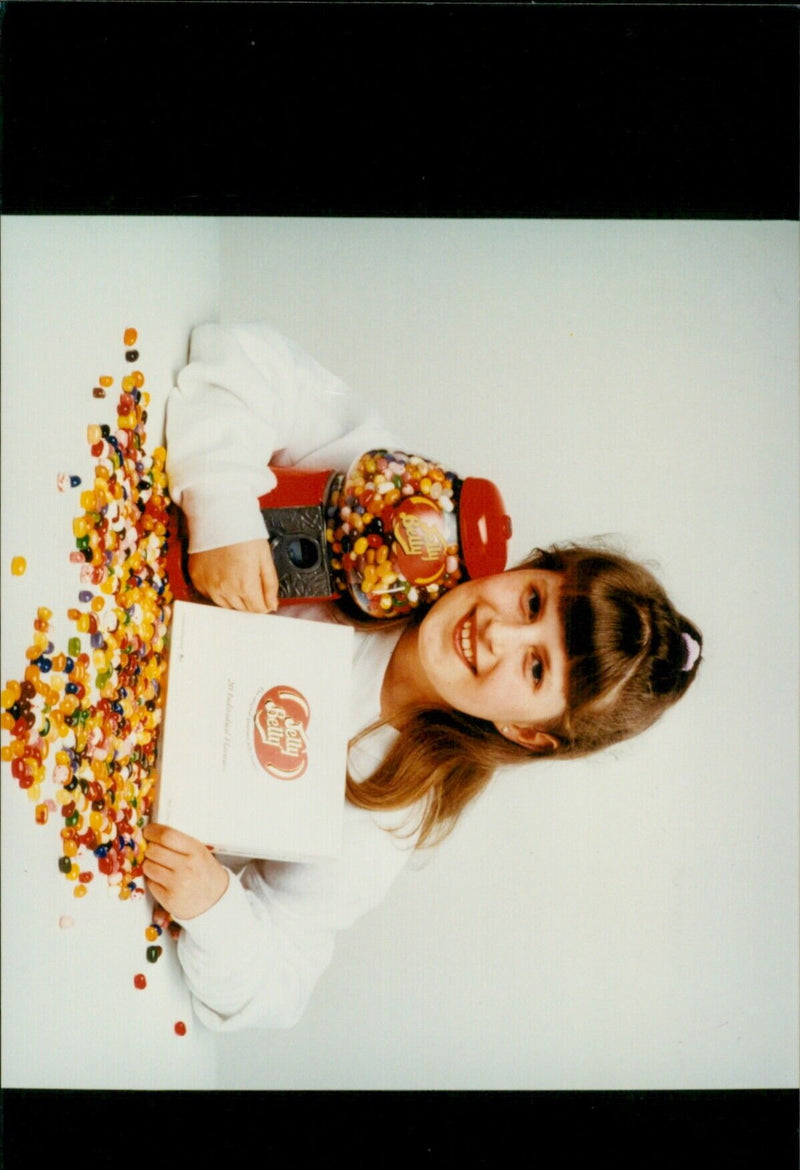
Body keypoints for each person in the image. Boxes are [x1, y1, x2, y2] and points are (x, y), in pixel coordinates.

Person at [143, 322, 703, 1032]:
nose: (498, 631)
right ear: (523, 564)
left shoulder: (385, 809)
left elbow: (279, 986)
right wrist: (222, 505)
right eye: (531, 600)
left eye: (535, 668)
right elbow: (242, 356)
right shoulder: (390, 511)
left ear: (528, 733)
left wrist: (213, 904)